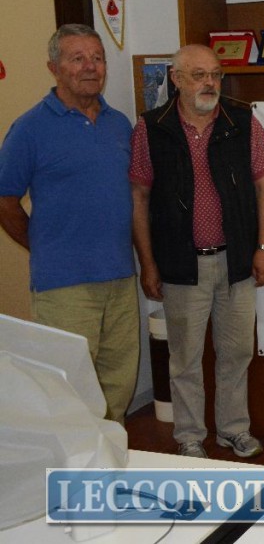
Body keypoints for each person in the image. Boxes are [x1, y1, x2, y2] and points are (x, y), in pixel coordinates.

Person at [130, 44, 264, 459]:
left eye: (215, 74)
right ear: (176, 79)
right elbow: (139, 198)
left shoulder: (242, 122)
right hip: (181, 265)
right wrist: (148, 263)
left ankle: (233, 430)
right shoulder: (151, 129)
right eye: (199, 75)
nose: (210, 83)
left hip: (236, 262)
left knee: (237, 353)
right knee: (185, 359)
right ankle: (190, 437)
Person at [0, 23, 140, 424]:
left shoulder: (119, 124)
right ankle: (76, 463)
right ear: (54, 68)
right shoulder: (29, 128)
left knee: (117, 384)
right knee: (70, 391)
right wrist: (44, 246)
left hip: (119, 277)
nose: (90, 67)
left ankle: (109, 457)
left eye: (97, 58)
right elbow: (5, 201)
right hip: (63, 286)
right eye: (77, 58)